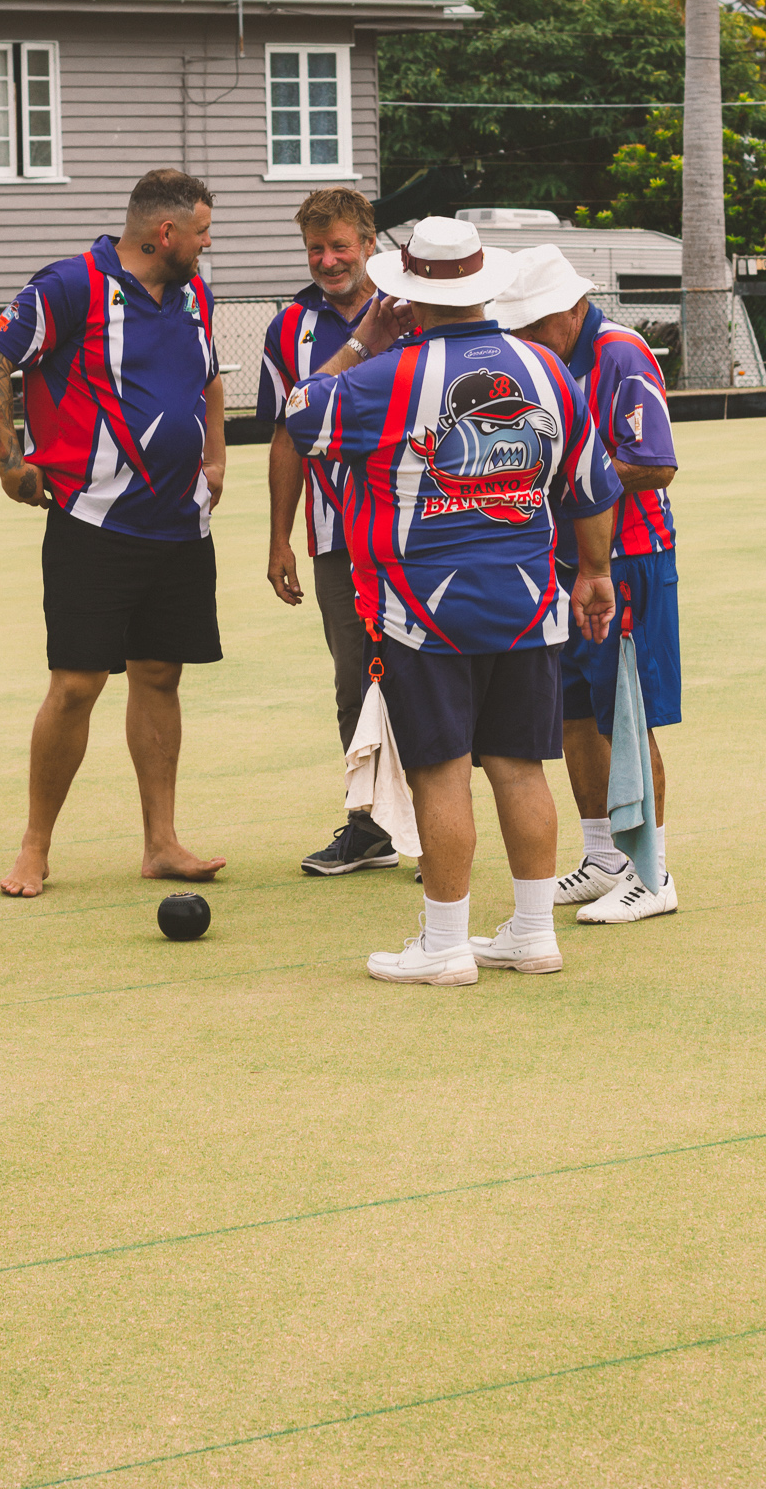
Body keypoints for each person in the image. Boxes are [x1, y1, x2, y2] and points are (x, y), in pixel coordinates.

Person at [283, 216, 621, 985]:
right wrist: (594, 572)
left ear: (404, 292)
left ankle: (444, 946)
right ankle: (533, 935)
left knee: (441, 771)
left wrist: (365, 339)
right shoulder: (543, 367)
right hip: (531, 600)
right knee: (521, 765)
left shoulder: (382, 377)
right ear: (482, 284)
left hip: (420, 609)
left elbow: (300, 413)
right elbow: (590, 483)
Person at [0, 168, 228, 899]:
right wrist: (9, 465)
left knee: (159, 675)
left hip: (180, 523)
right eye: (201, 232)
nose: (208, 245)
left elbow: (208, 376)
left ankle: (161, 843)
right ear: (164, 234)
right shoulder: (69, 286)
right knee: (77, 684)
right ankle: (34, 849)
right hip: (94, 524)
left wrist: (215, 455)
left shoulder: (193, 294)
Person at [496, 245, 680, 923]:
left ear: (571, 309)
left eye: (532, 325)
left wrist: (563, 482)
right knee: (573, 711)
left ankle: (653, 872)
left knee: (626, 714)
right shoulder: (538, 361)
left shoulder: (621, 354)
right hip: (564, 564)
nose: (521, 339)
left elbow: (655, 463)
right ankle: (604, 856)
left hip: (630, 557)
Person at [257, 186, 396, 877]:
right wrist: (279, 538)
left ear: (369, 242)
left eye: (340, 245)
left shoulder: (413, 305)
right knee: (353, 681)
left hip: (416, 530)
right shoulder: (289, 327)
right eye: (315, 248)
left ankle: (436, 824)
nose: (328, 260)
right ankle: (368, 826)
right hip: (335, 538)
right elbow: (286, 434)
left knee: (428, 675)